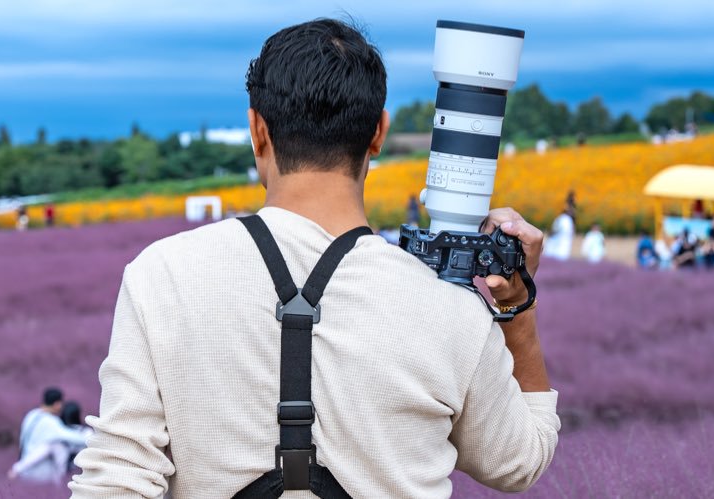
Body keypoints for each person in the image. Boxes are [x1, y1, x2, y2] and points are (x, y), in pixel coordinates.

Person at [71, 19, 559, 497]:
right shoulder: (450, 309)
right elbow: (519, 462)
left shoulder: (161, 276)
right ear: (377, 134)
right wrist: (518, 307)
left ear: (257, 130)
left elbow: (117, 477)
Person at [11, 387, 90, 485]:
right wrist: (92, 435)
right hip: (39, 473)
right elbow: (74, 438)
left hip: (24, 468)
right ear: (57, 404)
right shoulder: (51, 422)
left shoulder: (31, 415)